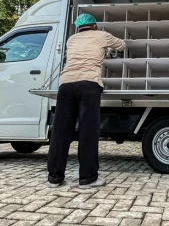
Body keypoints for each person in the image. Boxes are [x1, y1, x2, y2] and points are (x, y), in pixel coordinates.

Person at [46, 13, 126, 189]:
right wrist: (109, 48)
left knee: (60, 132)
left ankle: (54, 178)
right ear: (95, 26)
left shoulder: (71, 40)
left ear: (78, 27)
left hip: (66, 85)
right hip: (89, 84)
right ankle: (88, 179)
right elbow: (122, 44)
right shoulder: (101, 35)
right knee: (87, 132)